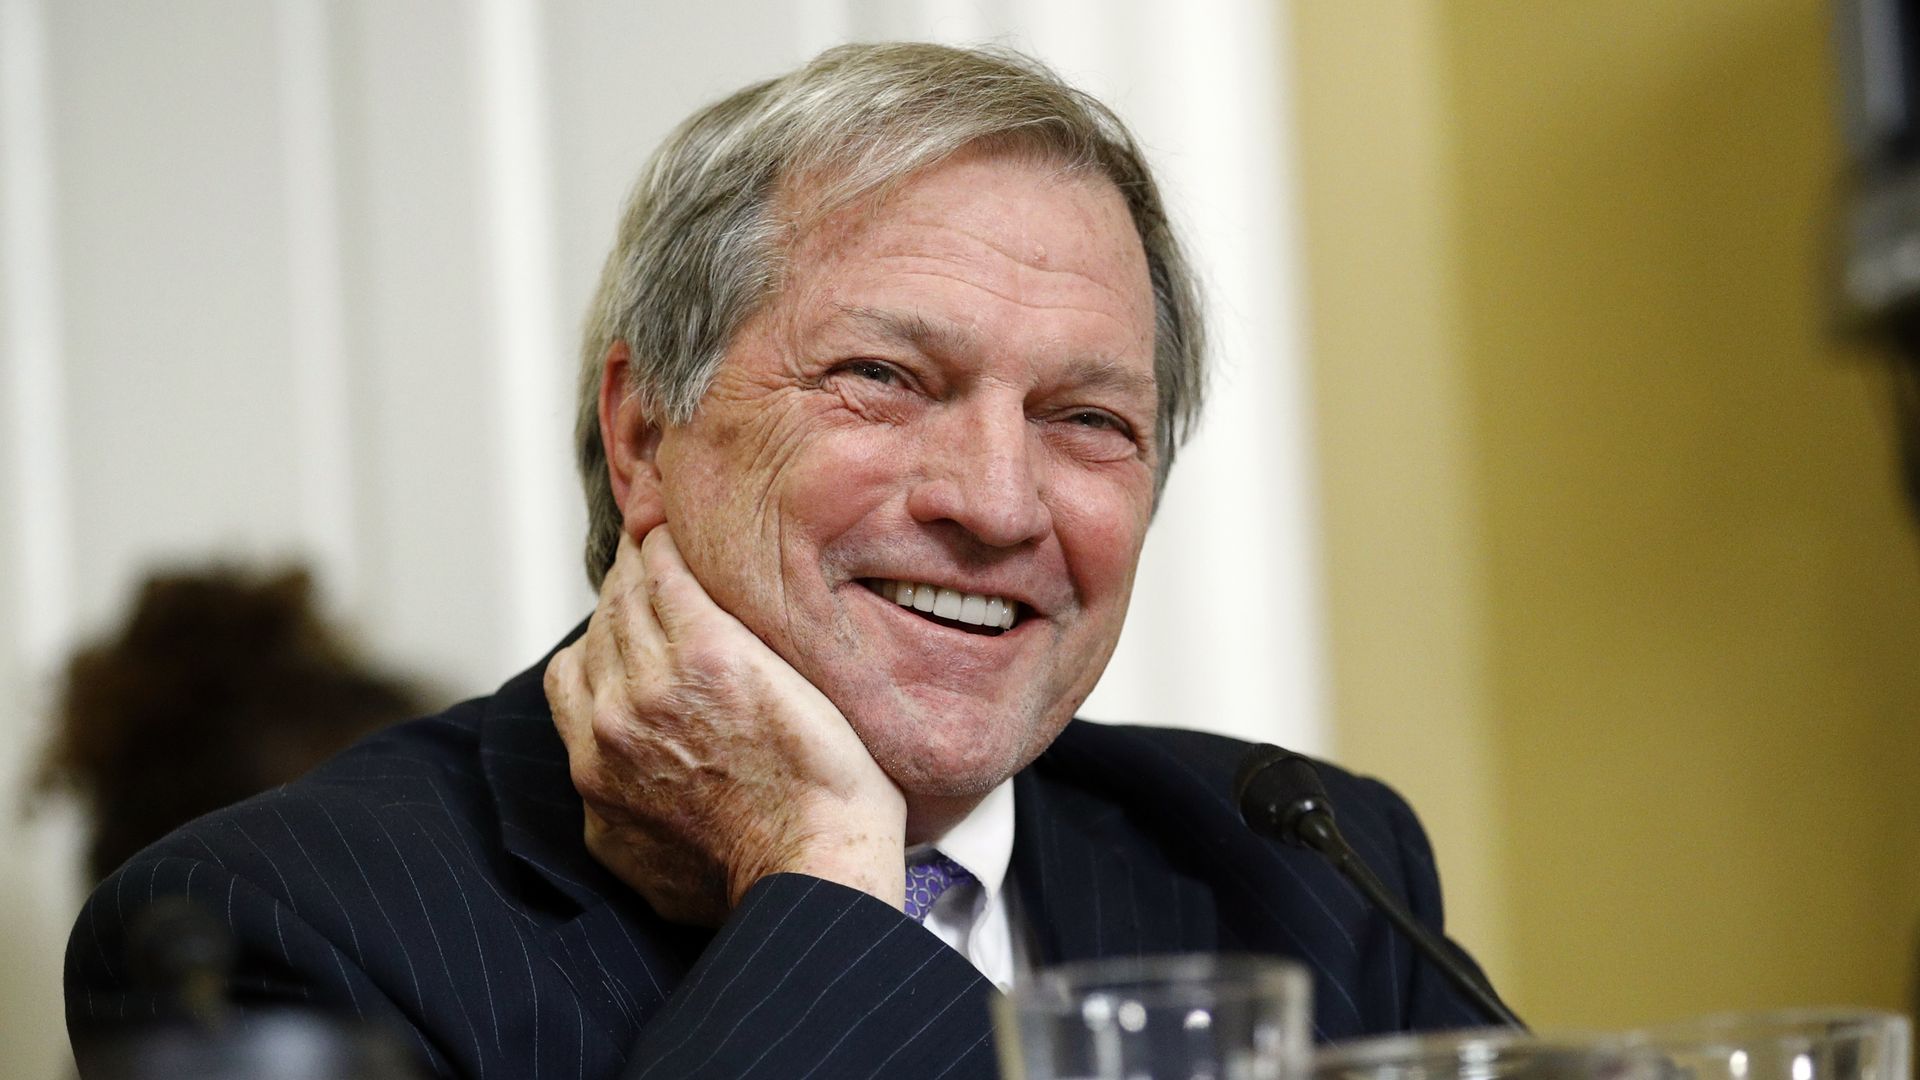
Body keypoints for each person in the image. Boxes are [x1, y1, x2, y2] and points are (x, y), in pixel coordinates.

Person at [65, 43, 1499, 1078]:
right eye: (884, 378)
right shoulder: (283, 928)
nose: (999, 503)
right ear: (642, 434)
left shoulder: (1306, 864)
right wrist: (819, 882)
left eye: (1088, 419)